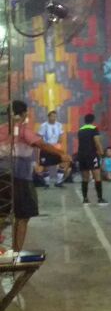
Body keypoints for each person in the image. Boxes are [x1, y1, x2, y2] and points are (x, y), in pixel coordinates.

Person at [0, 101, 71, 252]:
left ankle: (6, 251)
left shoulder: (1, 130)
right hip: (20, 179)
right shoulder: (24, 131)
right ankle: (16, 252)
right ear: (24, 114)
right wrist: (62, 154)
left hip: (2, 178)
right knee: (23, 216)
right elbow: (42, 145)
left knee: (3, 213)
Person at [76, 114, 108, 205]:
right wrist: (101, 152)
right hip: (92, 155)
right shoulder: (94, 129)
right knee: (97, 176)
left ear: (85, 120)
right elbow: (97, 142)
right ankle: (100, 198)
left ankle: (85, 199)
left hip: (81, 155)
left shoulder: (80, 130)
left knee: (85, 177)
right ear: (93, 120)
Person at [37, 111, 66, 187]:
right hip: (46, 148)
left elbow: (60, 136)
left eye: (55, 116)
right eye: (52, 116)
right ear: (48, 117)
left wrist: (58, 143)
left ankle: (59, 182)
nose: (54, 118)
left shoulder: (59, 125)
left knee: (63, 162)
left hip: (56, 148)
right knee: (45, 166)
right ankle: (47, 183)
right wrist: (45, 146)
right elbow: (40, 137)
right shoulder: (43, 125)